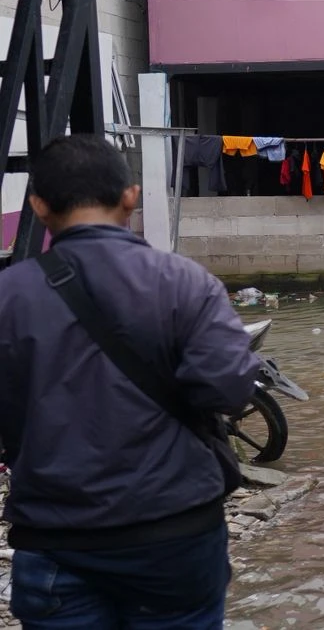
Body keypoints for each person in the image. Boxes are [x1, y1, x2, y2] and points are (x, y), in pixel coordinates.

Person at [0, 134, 262, 628]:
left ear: (37, 206)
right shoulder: (186, 283)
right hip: (176, 533)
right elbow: (229, 388)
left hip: (56, 538)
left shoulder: (8, 296)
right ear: (130, 197)